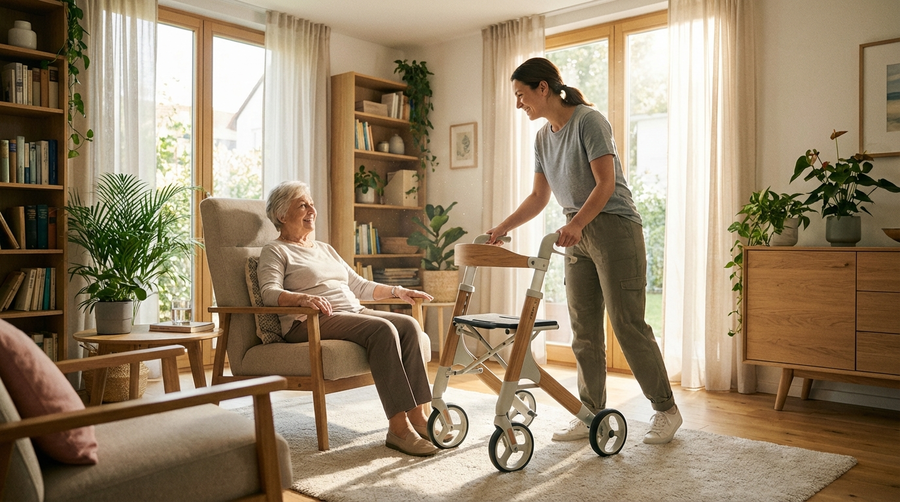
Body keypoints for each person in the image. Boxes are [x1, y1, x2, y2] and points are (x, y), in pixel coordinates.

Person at [486, 57, 682, 444]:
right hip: (576, 231)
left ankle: (665, 410)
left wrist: (576, 223)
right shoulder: (543, 138)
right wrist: (503, 227)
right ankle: (590, 412)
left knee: (628, 324)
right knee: (584, 329)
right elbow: (539, 196)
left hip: (613, 227)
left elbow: (605, 183)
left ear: (543, 88)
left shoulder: (589, 121)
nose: (518, 103)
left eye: (521, 95)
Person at [257, 180, 438, 457]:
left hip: (351, 312)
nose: (312, 210)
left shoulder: (325, 249)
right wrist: (303, 299)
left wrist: (398, 291)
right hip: (307, 322)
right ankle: (398, 429)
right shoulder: (276, 250)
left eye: (312, 204)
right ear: (282, 215)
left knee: (408, 325)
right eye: (302, 205)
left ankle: (418, 417)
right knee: (382, 330)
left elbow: (359, 286)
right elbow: (269, 292)